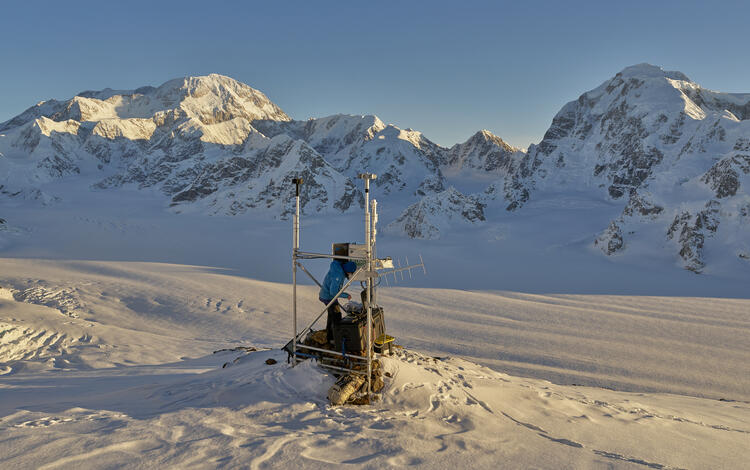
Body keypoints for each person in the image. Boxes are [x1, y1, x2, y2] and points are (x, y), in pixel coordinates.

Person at [319, 259, 357, 345]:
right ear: (347, 271)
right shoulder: (338, 276)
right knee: (336, 316)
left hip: (328, 295)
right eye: (351, 273)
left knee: (332, 315)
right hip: (329, 297)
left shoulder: (338, 267)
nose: (350, 275)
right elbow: (333, 292)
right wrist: (346, 295)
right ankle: (334, 339)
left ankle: (329, 336)